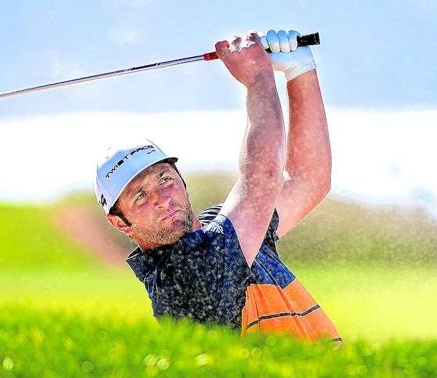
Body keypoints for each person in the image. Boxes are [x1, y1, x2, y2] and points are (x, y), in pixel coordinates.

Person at [94, 29, 341, 343]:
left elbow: (310, 181)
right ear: (120, 222)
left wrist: (299, 71)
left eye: (165, 179)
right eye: (139, 195)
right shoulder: (185, 275)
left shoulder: (224, 230)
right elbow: (262, 179)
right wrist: (258, 80)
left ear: (181, 181)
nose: (161, 198)